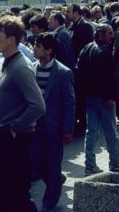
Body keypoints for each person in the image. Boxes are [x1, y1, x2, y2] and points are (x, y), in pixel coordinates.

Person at [0, 16, 45, 212]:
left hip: (16, 141)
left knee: (17, 195)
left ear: (11, 39)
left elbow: (38, 106)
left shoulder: (21, 67)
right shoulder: (4, 62)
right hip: (1, 136)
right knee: (0, 194)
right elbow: (1, 104)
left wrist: (14, 127)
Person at [76, 24, 119, 175]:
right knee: (110, 130)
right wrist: (110, 96)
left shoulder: (86, 49)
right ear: (100, 35)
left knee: (91, 132)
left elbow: (79, 73)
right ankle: (115, 161)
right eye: (109, 33)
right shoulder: (104, 52)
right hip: (102, 98)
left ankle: (90, 165)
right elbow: (106, 77)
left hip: (89, 97)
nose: (112, 36)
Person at [31, 33, 75, 212]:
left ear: (48, 50)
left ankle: (49, 201)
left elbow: (69, 102)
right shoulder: (31, 68)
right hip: (34, 125)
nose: (34, 48)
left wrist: (68, 129)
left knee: (53, 163)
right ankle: (55, 179)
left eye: (38, 45)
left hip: (54, 127)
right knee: (34, 160)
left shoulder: (63, 73)